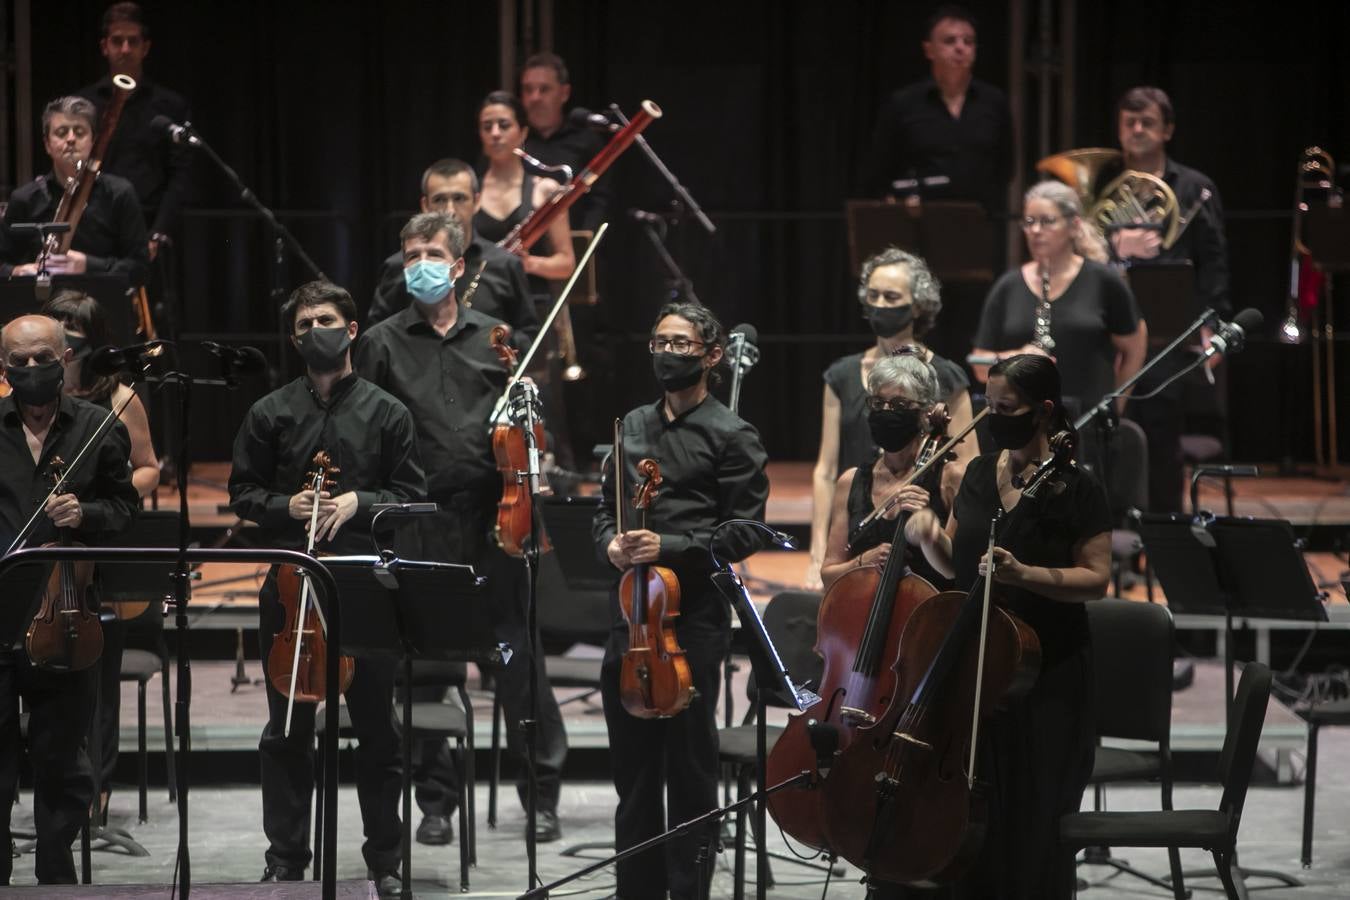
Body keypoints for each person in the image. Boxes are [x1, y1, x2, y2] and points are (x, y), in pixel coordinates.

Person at [356, 212, 569, 845]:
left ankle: (542, 794)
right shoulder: (381, 341)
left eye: (431, 253)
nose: (418, 263)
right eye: (409, 253)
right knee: (424, 664)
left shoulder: (497, 337)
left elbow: (530, 431)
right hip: (419, 519)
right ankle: (436, 801)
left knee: (515, 655)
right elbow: (367, 432)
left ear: (457, 267)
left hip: (494, 517)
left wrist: (530, 418)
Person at [228, 281, 425, 896]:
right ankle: (287, 857)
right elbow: (242, 494)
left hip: (364, 582)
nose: (319, 329)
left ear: (352, 328)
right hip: (291, 586)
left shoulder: (389, 412)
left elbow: (410, 497)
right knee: (287, 729)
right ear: (294, 337)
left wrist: (357, 501)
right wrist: (287, 503)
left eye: (328, 320)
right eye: (307, 322)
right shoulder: (270, 412)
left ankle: (385, 860)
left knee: (377, 731)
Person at [905, 353, 1108, 898]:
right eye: (988, 406)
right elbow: (960, 565)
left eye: (1006, 408)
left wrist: (1028, 573)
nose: (994, 417)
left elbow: (1095, 579)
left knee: (1034, 824)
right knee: (977, 817)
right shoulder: (974, 474)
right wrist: (929, 539)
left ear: (1043, 412)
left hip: (1049, 677)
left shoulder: (1076, 488)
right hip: (980, 671)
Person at [592, 302, 770, 899]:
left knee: (691, 774)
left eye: (680, 344)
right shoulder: (631, 427)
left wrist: (667, 544)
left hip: (691, 620)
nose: (667, 353)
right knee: (634, 778)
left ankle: (688, 889)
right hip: (630, 619)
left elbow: (745, 531)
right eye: (659, 342)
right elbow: (603, 512)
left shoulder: (732, 435)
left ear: (711, 355)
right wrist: (611, 544)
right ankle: (634, 892)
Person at [0, 314, 139, 885]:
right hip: (1, 609)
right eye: (18, 361)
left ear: (66, 358)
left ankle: (57, 871)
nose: (32, 369)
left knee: (63, 760)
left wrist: (88, 514)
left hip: (67, 615)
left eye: (42, 358)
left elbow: (126, 510)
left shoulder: (100, 428)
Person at [43, 290, 159, 825]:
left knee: (99, 668)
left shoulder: (120, 397)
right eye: (58, 322)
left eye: (75, 324)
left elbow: (147, 467)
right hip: (39, 549)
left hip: (96, 545)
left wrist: (96, 501)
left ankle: (97, 787)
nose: (66, 332)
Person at [1097, 86, 1230, 512]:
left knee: (1159, 436)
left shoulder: (1194, 188)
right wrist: (1118, 245)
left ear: (1167, 130)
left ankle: (1161, 533)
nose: (1137, 130)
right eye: (1129, 122)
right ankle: (1110, 534)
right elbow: (1078, 251)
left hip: (1168, 337)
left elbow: (1214, 264)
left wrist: (1213, 324)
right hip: (1107, 332)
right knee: (1103, 436)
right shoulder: (1102, 184)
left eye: (1147, 122)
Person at [807, 248, 973, 590]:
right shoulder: (841, 375)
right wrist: (816, 552)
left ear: (917, 305)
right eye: (874, 295)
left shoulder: (947, 376)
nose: (880, 304)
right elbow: (825, 469)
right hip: (860, 516)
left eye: (892, 296)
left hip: (925, 519)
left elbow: (968, 464)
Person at [972, 180, 1146, 421]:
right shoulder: (1008, 286)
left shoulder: (1103, 280)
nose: (1035, 230)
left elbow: (1135, 346)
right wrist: (1017, 359)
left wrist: (1115, 405)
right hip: (1022, 425)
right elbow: (979, 364)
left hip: (1086, 423)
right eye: (1029, 222)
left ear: (1074, 226)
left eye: (1047, 221)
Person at [818, 353, 963, 593]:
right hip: (864, 615)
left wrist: (930, 533)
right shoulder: (851, 481)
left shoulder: (951, 478)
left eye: (899, 405)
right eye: (877, 403)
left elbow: (957, 569)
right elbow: (828, 575)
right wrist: (862, 562)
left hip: (931, 619)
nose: (886, 411)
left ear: (927, 411)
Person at [367, 157, 539, 343]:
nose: (450, 210)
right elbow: (377, 337)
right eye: (440, 199)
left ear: (477, 201)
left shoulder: (505, 264)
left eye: (459, 198)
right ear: (425, 206)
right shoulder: (398, 266)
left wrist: (493, 351)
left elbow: (528, 335)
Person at [861, 4, 1012, 214]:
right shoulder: (904, 104)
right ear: (929, 49)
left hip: (979, 220)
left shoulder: (994, 102)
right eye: (950, 41)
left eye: (968, 41)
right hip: (917, 221)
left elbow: (1005, 167)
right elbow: (879, 170)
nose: (960, 47)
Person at [76, 2, 193, 260]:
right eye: (117, 41)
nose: (125, 49)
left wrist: (158, 233)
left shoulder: (169, 105)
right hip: (94, 233)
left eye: (133, 41)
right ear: (104, 47)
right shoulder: (84, 105)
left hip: (147, 231)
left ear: (145, 47)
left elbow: (180, 176)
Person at [0, 96, 149, 285]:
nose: (70, 139)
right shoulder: (25, 199)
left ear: (93, 142)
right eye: (61, 132)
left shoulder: (119, 194)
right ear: (47, 144)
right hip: (41, 308)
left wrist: (87, 265)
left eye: (79, 132)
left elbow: (141, 269)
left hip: (104, 307)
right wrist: (20, 270)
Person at [519, 52, 610, 233]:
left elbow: (600, 201)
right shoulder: (514, 142)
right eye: (528, 90)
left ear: (564, 93)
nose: (534, 98)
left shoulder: (587, 141)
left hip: (573, 250)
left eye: (544, 89)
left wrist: (582, 244)